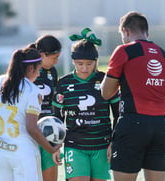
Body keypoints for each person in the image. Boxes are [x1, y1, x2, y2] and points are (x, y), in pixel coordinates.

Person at [100, 11, 165, 181]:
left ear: (125, 31)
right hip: (160, 127)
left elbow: (106, 93)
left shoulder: (123, 51)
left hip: (132, 125)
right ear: (147, 33)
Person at [0, 47, 61, 181]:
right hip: (23, 154)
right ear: (30, 68)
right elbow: (31, 128)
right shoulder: (32, 90)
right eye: (38, 70)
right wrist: (50, 149)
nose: (39, 74)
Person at [52, 28, 120, 181]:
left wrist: (113, 142)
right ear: (73, 61)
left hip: (102, 146)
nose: (84, 68)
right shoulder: (64, 83)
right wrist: (55, 146)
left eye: (89, 64)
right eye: (79, 63)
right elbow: (57, 118)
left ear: (96, 61)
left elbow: (118, 115)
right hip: (74, 145)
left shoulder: (106, 81)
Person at [28, 35, 62, 181]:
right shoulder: (27, 71)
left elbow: (54, 102)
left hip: (49, 133)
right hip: (29, 132)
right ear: (42, 55)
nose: (56, 61)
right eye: (54, 58)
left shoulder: (52, 71)